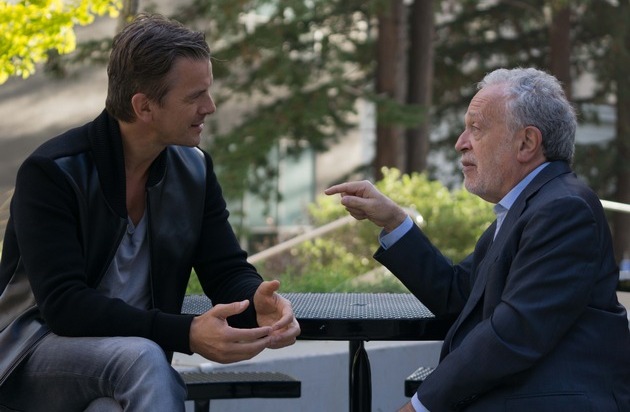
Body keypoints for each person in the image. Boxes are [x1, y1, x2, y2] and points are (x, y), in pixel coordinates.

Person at [0, 13, 300, 411]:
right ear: (144, 107)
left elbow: (225, 269)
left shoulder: (194, 170)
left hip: (128, 364)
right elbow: (65, 306)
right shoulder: (53, 172)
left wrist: (255, 302)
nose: (209, 107)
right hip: (28, 356)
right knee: (141, 356)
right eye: (194, 96)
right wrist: (186, 333)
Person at [326, 67, 630, 411]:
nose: (461, 143)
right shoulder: (533, 206)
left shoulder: (563, 209)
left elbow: (513, 334)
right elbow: (459, 297)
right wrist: (394, 221)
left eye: (476, 128)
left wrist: (419, 406)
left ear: (527, 143)